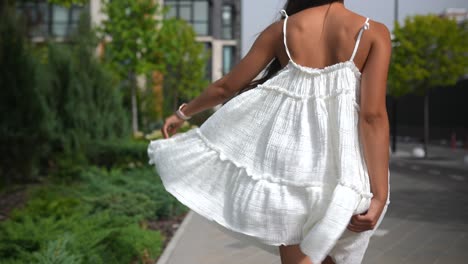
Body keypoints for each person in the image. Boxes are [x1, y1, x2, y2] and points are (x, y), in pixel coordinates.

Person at [147, 0, 391, 263]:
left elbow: (226, 87)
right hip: (344, 170)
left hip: (289, 170)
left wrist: (183, 112)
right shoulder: (372, 32)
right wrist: (380, 193)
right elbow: (372, 117)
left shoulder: (283, 30)